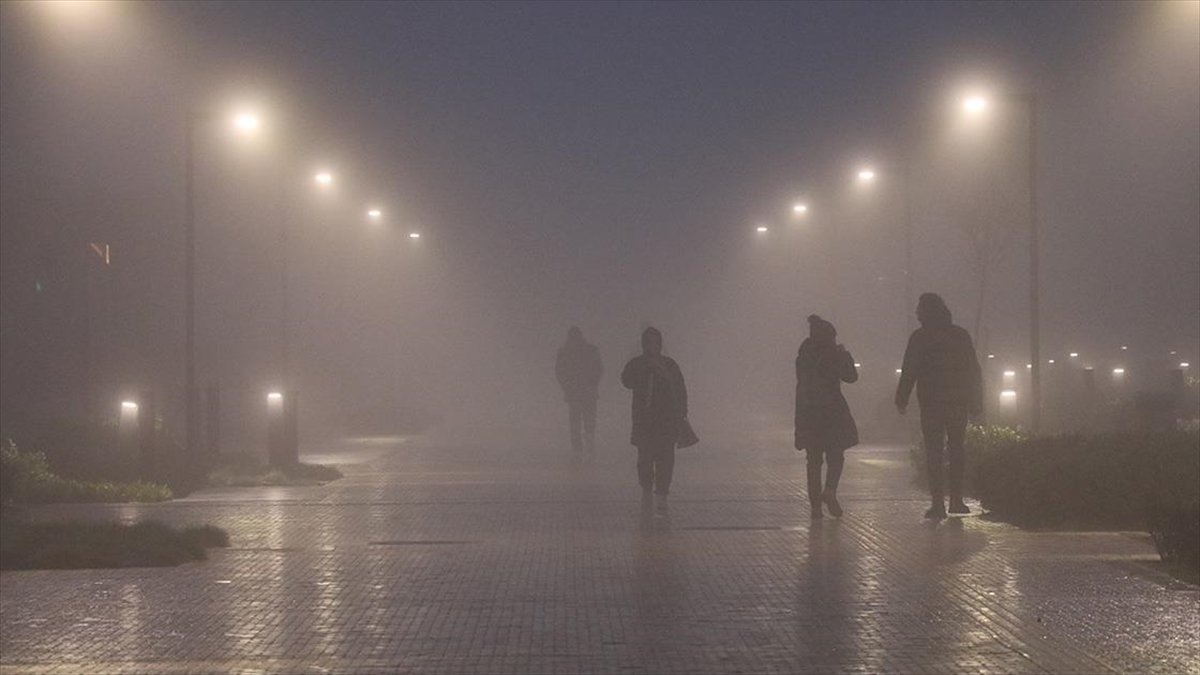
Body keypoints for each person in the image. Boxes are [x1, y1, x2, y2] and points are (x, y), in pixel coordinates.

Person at [895, 292, 984, 519]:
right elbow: (973, 369)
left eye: (919, 309)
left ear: (926, 311)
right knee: (957, 450)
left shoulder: (920, 337)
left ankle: (938, 504)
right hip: (957, 401)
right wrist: (976, 400)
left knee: (934, 452)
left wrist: (902, 397)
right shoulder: (960, 335)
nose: (916, 313)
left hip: (932, 402)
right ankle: (956, 500)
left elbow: (910, 369)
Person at [794, 315, 859, 520]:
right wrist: (844, 354)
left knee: (813, 461)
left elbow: (801, 385)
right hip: (833, 413)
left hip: (809, 413)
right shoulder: (834, 354)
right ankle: (830, 490)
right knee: (835, 456)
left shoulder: (803, 356)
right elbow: (851, 377)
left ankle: (815, 508)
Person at [621, 326, 688, 511]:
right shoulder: (637, 364)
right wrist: (644, 371)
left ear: (660, 344)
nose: (652, 346)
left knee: (666, 458)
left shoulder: (669, 365)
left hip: (667, 419)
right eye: (648, 343)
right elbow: (626, 381)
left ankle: (662, 493)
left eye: (655, 343)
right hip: (645, 420)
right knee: (645, 457)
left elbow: (679, 389)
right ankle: (646, 486)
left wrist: (681, 413)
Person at [555, 326, 603, 461]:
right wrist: (568, 387)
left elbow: (598, 368)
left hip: (581, 392)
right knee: (580, 421)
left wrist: (568, 387)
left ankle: (582, 446)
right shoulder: (588, 351)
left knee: (582, 420)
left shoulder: (566, 352)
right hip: (580, 392)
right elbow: (560, 372)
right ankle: (581, 447)